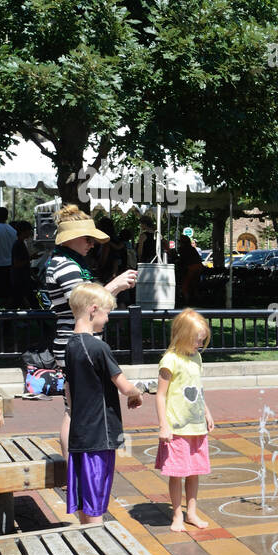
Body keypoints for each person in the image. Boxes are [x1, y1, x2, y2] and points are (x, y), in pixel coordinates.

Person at [41, 205, 138, 458]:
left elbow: (89, 304)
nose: (92, 244)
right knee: (73, 409)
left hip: (77, 342)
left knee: (77, 407)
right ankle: (71, 469)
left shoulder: (70, 263)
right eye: (88, 238)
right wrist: (114, 286)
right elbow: (84, 304)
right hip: (75, 343)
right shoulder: (65, 265)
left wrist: (112, 289)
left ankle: (74, 468)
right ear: (71, 238)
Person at [64, 283, 143, 525]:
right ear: (93, 309)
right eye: (107, 312)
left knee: (84, 494)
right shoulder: (98, 347)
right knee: (96, 494)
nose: (108, 319)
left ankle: (86, 532)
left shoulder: (70, 345)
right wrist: (136, 393)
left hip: (80, 432)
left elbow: (68, 388)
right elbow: (124, 385)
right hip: (100, 433)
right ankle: (97, 543)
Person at [156, 309, 215, 532]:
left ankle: (191, 513)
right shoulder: (170, 360)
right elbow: (160, 396)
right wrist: (164, 425)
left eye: (202, 341)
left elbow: (197, 390)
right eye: (196, 340)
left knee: (194, 472)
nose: (199, 345)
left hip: (196, 427)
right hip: (177, 428)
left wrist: (207, 412)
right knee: (177, 473)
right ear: (182, 335)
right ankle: (176, 515)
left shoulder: (196, 358)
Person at [10, 220, 38, 309]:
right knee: (32, 302)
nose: (30, 232)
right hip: (20, 279)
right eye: (29, 230)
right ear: (24, 231)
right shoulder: (18, 244)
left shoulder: (21, 243)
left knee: (18, 303)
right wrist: (30, 258)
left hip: (22, 278)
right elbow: (16, 263)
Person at [176, 235, 203, 303]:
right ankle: (198, 299)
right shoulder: (192, 248)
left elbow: (182, 260)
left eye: (180, 242)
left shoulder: (182, 249)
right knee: (195, 284)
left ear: (182, 242)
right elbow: (199, 259)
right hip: (199, 267)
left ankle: (187, 301)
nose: (180, 244)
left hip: (191, 268)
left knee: (185, 284)